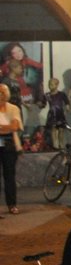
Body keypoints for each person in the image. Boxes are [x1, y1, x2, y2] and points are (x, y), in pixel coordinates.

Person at [0, 83, 21, 213]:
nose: (1, 95)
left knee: (9, 175)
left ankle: (12, 204)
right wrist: (6, 127)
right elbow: (10, 126)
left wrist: (3, 128)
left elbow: (14, 127)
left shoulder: (13, 108)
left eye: (3, 92)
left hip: (8, 144)